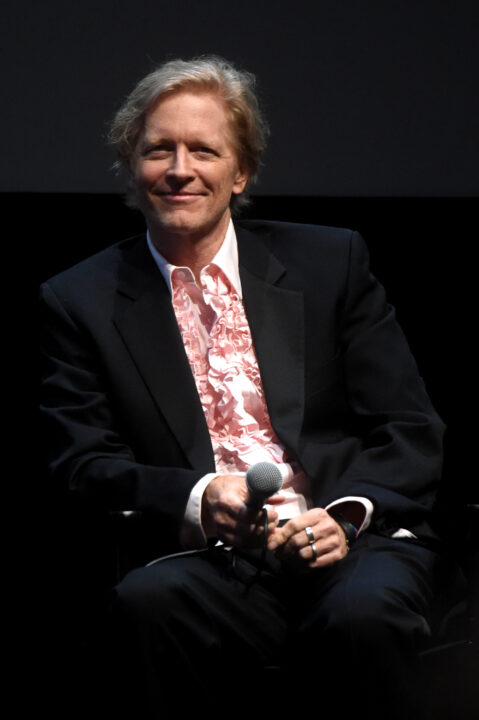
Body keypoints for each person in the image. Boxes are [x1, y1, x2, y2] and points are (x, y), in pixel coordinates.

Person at [40, 56, 446, 718]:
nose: (178, 170)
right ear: (131, 168)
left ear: (240, 172)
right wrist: (198, 497)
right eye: (157, 150)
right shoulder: (78, 299)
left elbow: (409, 428)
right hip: (207, 564)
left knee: (362, 616)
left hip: (348, 544)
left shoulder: (329, 264)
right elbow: (80, 464)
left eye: (203, 150)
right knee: (146, 605)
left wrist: (344, 515)